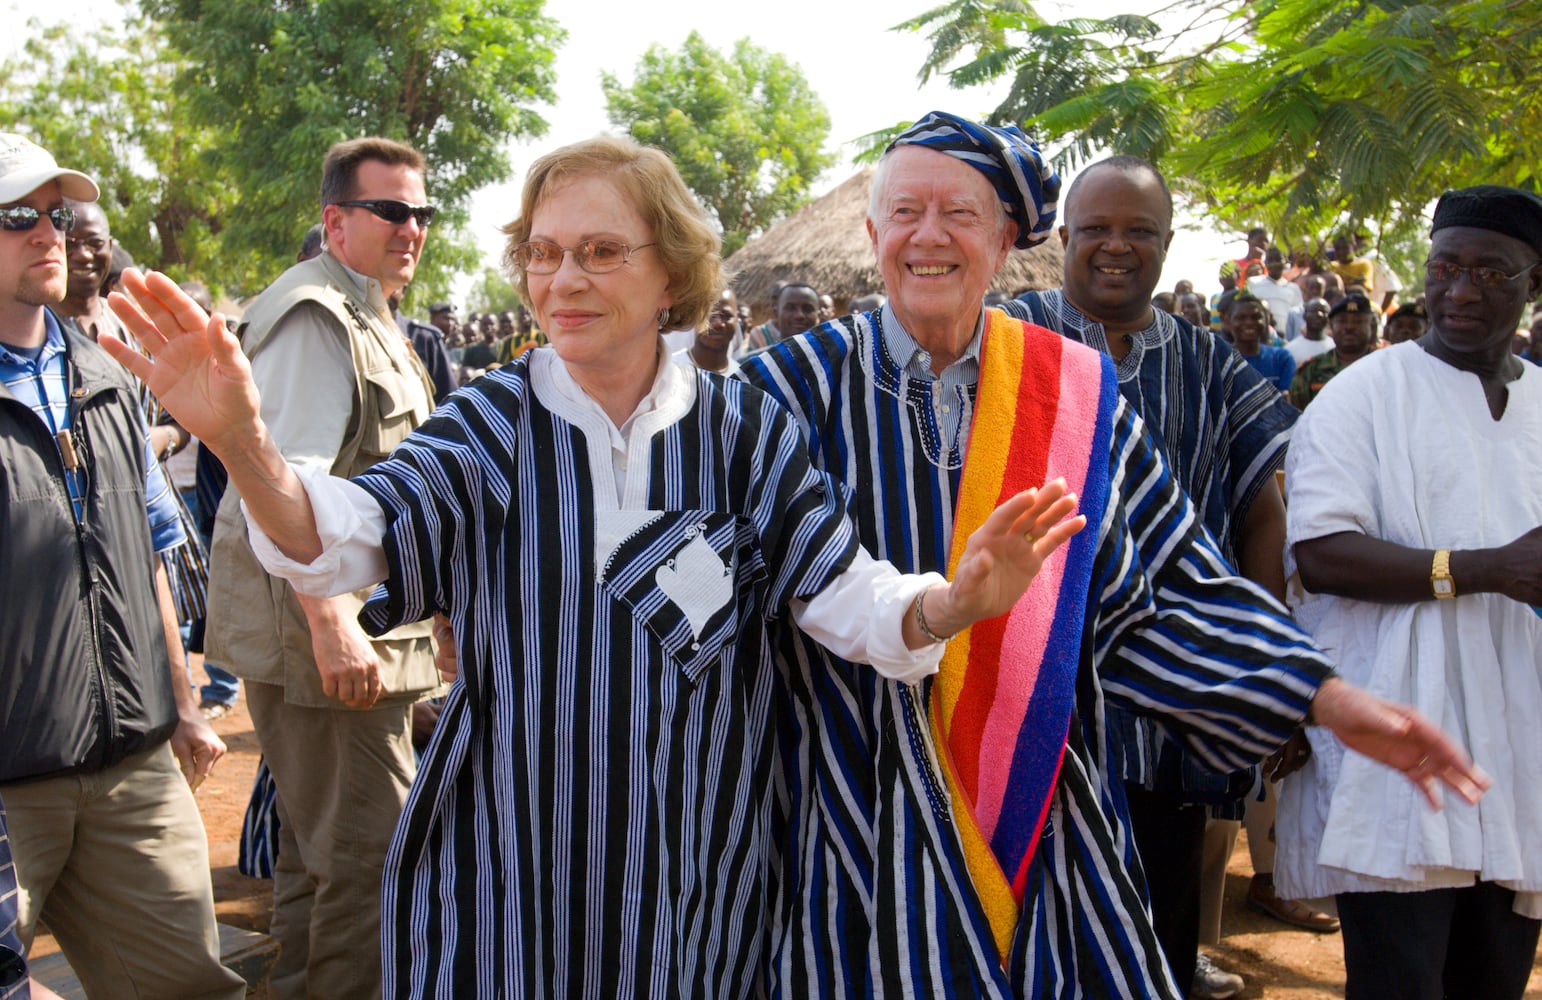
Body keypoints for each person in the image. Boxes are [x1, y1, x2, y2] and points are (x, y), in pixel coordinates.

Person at [107, 134, 1088, 998]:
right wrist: (244, 442)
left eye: (599, 251)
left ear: (673, 275)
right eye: (542, 253)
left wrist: (948, 603)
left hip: (699, 879)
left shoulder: (742, 430)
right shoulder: (491, 426)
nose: (562, 278)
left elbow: (844, 595)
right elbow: (345, 533)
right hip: (510, 876)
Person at [738, 112, 1485, 998]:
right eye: (905, 212)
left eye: (959, 215)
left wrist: (1320, 696)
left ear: (1006, 238)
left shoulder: (1072, 396)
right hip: (847, 816)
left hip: (1042, 816)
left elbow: (1166, 590)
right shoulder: (783, 389)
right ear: (872, 234)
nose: (928, 235)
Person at [1001, 153, 1299, 996]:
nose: (1116, 247)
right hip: (1029, 696)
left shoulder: (1209, 365)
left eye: (1139, 231)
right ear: (1065, 236)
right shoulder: (1010, 340)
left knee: (1161, 926)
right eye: (1096, 228)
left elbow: (1262, 512)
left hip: (1168, 708)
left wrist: (1253, 661)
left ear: (1167, 244)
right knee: (1028, 932)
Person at [1276, 184, 1542, 1000]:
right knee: (1400, 983)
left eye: (1491, 274)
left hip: (1521, 747)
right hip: (1395, 748)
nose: (1461, 291)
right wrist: (1484, 568)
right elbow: (1322, 554)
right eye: (1446, 267)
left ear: (1532, 285)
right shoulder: (1365, 394)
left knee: (1493, 981)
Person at [197, 136, 444, 999]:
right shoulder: (316, 314)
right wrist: (335, 623)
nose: (411, 228)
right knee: (372, 866)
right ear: (336, 221)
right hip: (329, 641)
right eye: (390, 211)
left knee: (315, 855)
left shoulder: (366, 304)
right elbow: (287, 484)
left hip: (359, 630)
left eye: (421, 213)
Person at [0, 132, 242, 998]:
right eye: (16, 217)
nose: (48, 236)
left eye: (54, 216)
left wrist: (180, 703)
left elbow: (146, 553)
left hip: (133, 767)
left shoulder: (102, 375)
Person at [1289, 291, 1377, 409]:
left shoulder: (1384, 366)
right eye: (1342, 321)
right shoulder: (1311, 370)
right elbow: (1299, 417)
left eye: (1357, 321)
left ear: (1370, 326)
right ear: (1331, 326)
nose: (1349, 327)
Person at [1228, 289, 1296, 392]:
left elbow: (1286, 399)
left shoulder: (1282, 358)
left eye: (1256, 317)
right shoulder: (1218, 360)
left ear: (1266, 321)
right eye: (1241, 318)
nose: (1249, 323)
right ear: (1229, 322)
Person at [676, 287, 741, 374]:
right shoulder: (671, 369)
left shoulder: (741, 378)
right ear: (694, 316)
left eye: (726, 315)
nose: (718, 324)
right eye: (710, 314)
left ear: (737, 318)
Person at [1287, 297, 1334, 367]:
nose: (1319, 314)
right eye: (1314, 311)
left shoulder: (1334, 347)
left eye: (1324, 311)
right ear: (1304, 316)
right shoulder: (1290, 350)